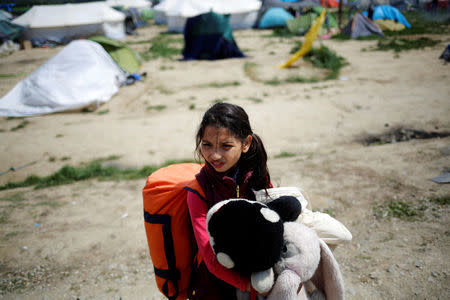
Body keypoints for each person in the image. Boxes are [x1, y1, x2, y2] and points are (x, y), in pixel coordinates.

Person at [187, 102, 271, 299]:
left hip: (259, 275)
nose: (214, 155)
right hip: (215, 287)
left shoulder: (257, 177)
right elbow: (209, 257)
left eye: (226, 146)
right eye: (207, 145)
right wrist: (248, 286)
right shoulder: (197, 191)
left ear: (246, 143)